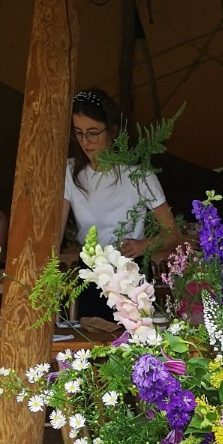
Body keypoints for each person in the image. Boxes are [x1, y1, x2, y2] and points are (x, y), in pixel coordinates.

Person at [62, 88, 180, 317]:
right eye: (79, 133)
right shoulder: (69, 172)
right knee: (90, 346)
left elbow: (172, 234)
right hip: (90, 273)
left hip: (130, 271)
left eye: (93, 133)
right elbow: (53, 234)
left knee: (134, 343)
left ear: (113, 131)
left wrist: (142, 245)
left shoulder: (140, 176)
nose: (85, 142)